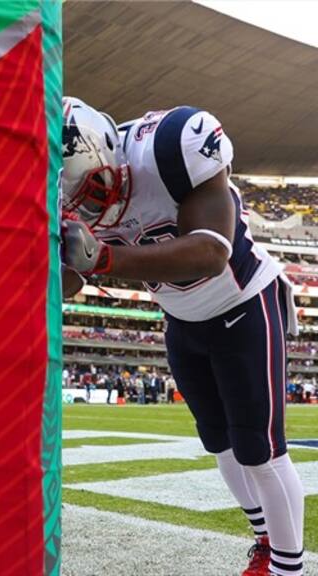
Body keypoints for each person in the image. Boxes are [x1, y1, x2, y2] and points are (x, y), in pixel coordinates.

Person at [61, 97, 304, 576]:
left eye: (93, 192)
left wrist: (106, 258)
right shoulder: (66, 190)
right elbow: (70, 278)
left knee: (259, 446)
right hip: (181, 317)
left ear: (105, 151)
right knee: (218, 441)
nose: (94, 209)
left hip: (244, 304)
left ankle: (288, 569)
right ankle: (263, 541)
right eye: (79, 203)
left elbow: (212, 252)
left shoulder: (172, 146)